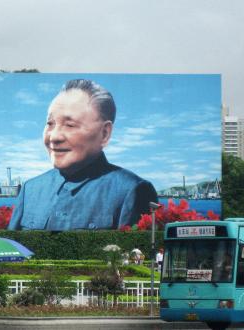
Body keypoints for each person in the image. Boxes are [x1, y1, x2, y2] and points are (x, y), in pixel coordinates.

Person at [8, 79, 157, 231]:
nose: (54, 137)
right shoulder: (31, 189)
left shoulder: (132, 190)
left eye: (70, 125)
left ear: (104, 133)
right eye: (50, 123)